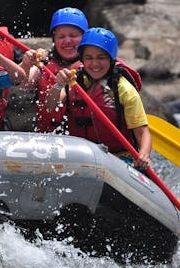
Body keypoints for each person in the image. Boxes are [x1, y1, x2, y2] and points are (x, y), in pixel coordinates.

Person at [21, 7, 142, 133]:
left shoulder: (100, 66)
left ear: (85, 37)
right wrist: (26, 64)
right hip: (50, 138)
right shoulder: (43, 62)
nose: (67, 41)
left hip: (90, 143)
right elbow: (23, 83)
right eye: (61, 36)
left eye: (74, 35)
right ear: (54, 40)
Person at [46, 27, 152, 170]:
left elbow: (142, 133)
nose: (94, 64)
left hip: (119, 156)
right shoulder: (75, 80)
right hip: (80, 154)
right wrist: (58, 85)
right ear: (82, 59)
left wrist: (144, 155)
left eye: (101, 57)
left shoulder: (124, 90)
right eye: (89, 58)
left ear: (111, 58)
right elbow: (51, 105)